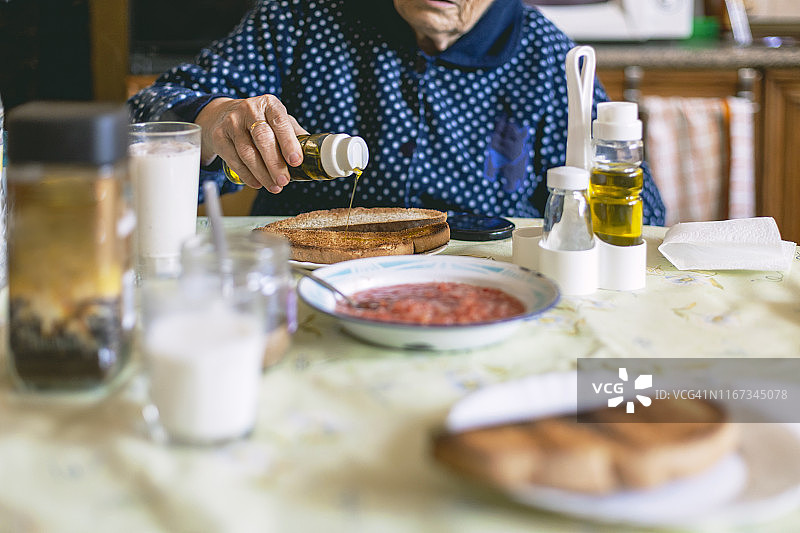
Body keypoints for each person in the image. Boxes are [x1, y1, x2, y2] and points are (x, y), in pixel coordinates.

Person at [128, 0, 666, 224]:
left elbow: (644, 216)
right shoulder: (301, 19)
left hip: (487, 295)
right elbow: (141, 116)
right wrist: (212, 118)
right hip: (313, 288)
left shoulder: (550, 60)